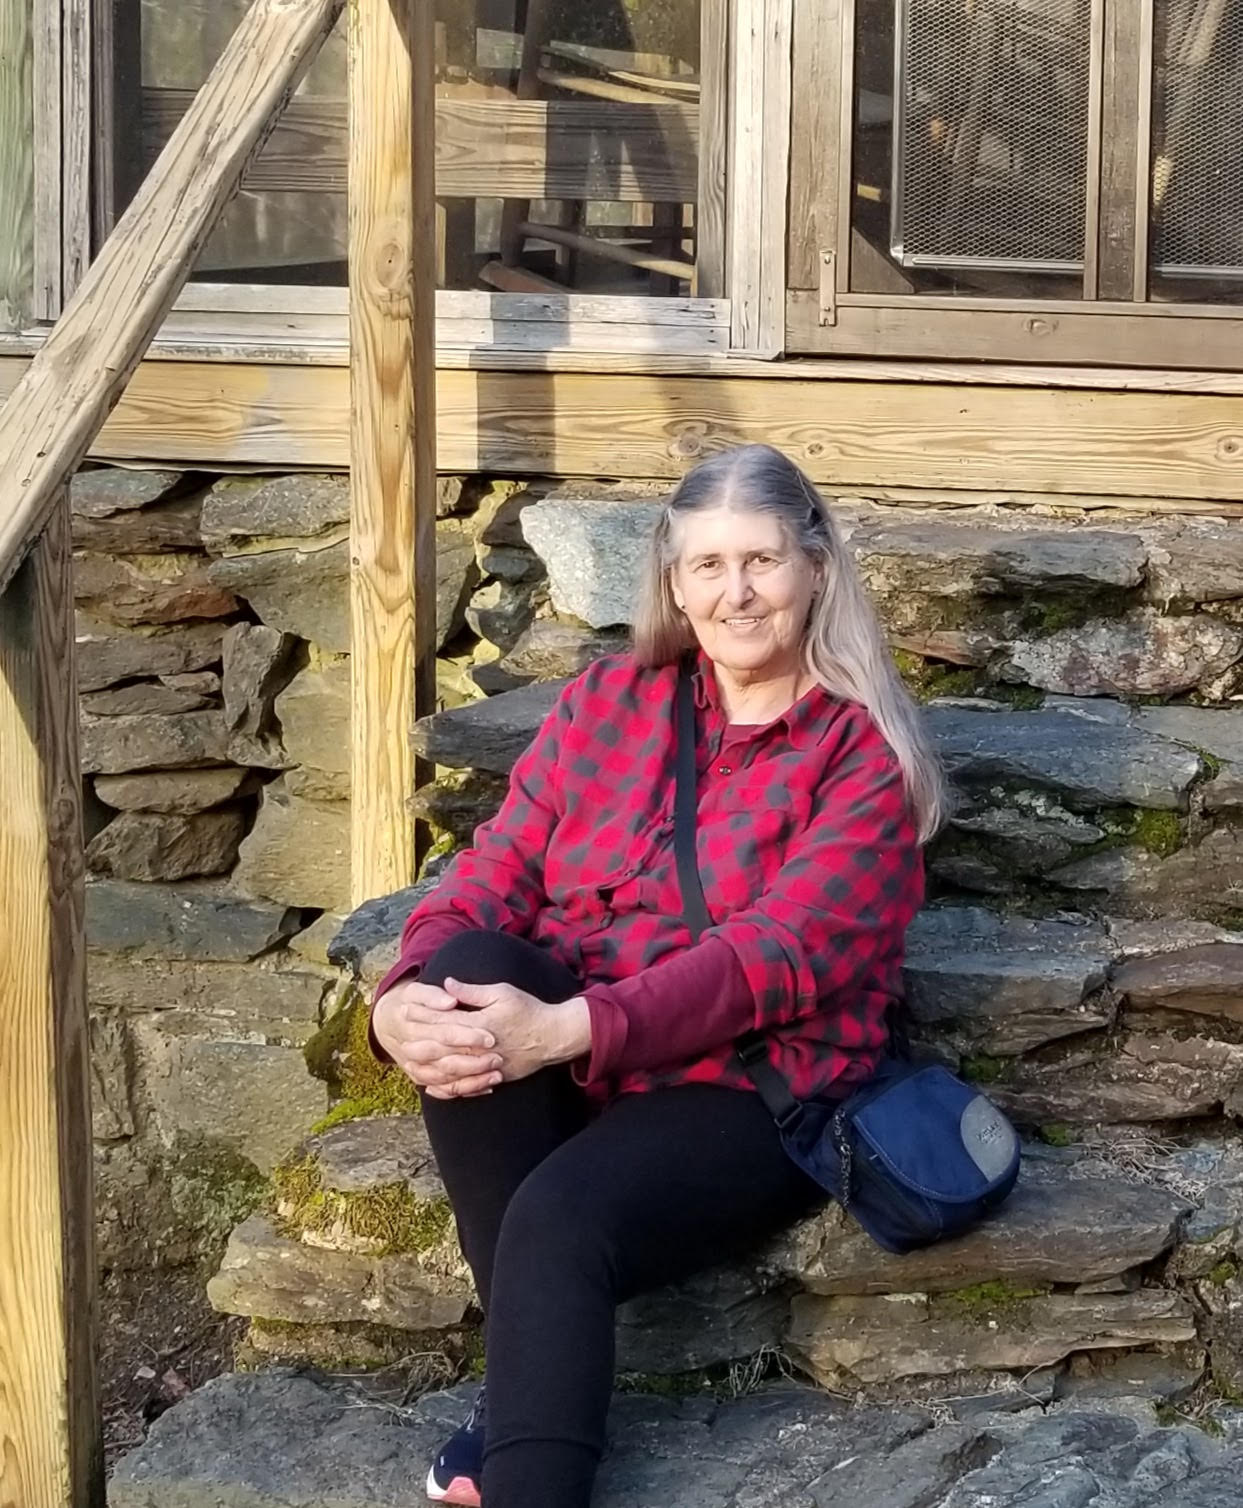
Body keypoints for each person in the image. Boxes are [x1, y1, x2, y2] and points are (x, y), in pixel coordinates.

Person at [369, 442, 945, 1508]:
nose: (736, 593)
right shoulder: (610, 703)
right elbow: (493, 868)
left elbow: (770, 959)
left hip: (749, 1088)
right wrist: (395, 1001)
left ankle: (521, 1448)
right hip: (584, 1052)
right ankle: (525, 1387)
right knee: (464, 964)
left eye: (761, 560)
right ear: (672, 582)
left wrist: (565, 1028)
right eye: (708, 565)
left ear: (813, 566)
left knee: (557, 1218)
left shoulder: (858, 757)